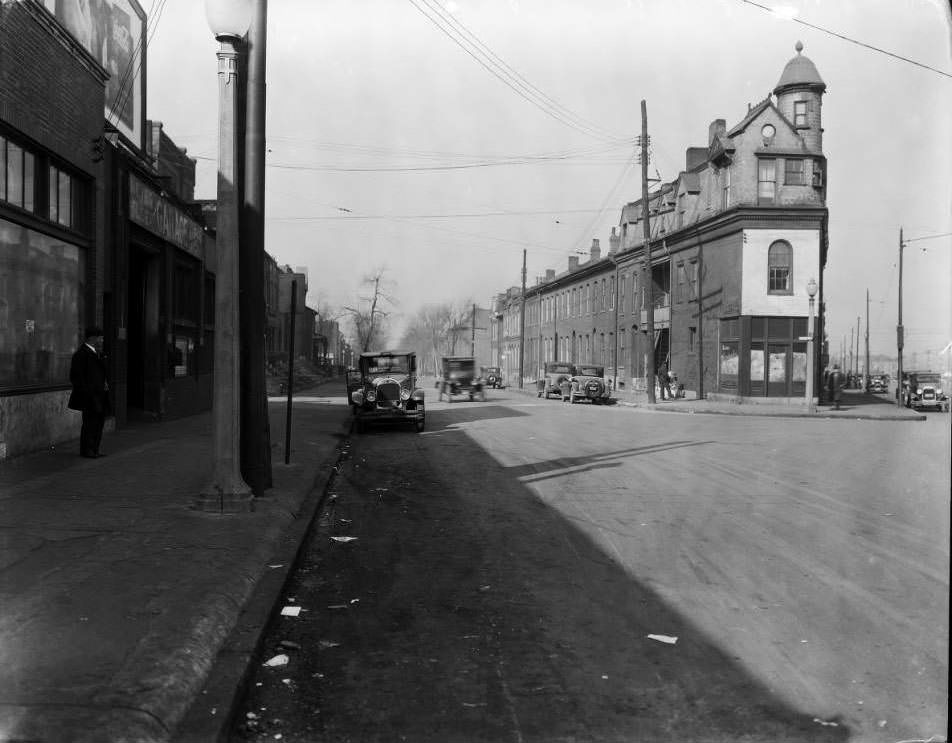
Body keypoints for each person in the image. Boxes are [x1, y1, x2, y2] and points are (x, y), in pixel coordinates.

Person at [68, 327, 111, 458]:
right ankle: (87, 450)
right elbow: (76, 377)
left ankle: (95, 449)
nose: (102, 340)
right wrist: (87, 393)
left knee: (99, 423)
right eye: (101, 338)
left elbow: (102, 373)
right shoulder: (81, 354)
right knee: (89, 423)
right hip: (90, 396)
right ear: (93, 338)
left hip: (100, 395)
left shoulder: (98, 353)